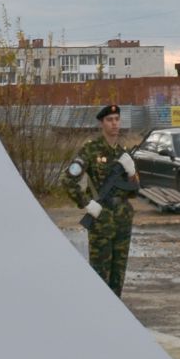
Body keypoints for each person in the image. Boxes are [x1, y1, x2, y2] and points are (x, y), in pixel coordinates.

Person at [64, 103, 138, 296]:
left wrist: (131, 172)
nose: (114, 124)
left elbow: (133, 191)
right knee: (99, 277)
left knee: (118, 276)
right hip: (101, 221)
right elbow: (68, 180)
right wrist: (87, 203)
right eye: (109, 120)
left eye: (116, 119)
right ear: (101, 123)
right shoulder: (91, 150)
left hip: (122, 220)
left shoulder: (123, 153)